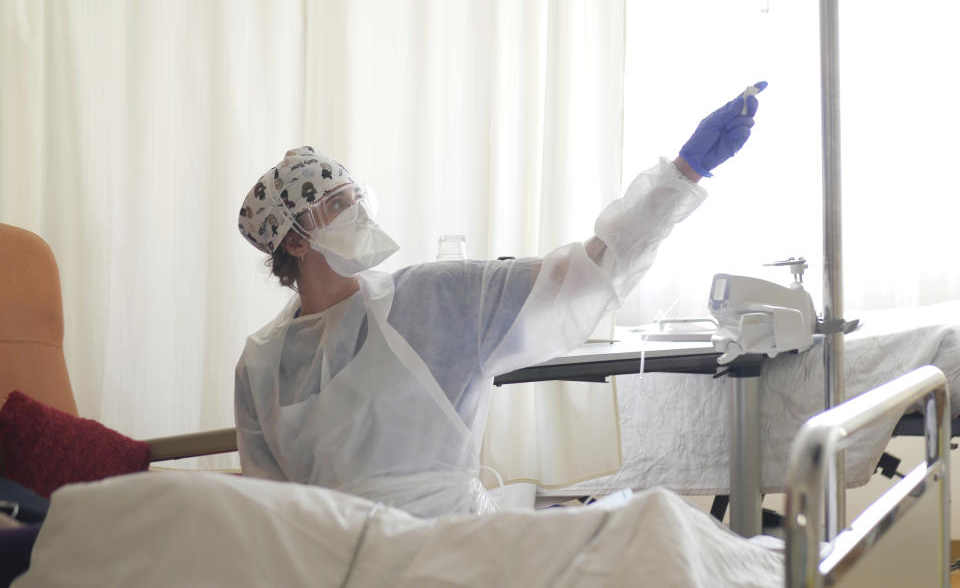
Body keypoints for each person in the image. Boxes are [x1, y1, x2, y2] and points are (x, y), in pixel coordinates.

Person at [234, 83, 766, 518]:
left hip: (455, 551)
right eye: (338, 205)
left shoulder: (431, 298)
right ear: (295, 240)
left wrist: (682, 173)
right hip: (337, 564)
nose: (362, 217)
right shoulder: (260, 363)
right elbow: (271, 511)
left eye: (357, 199)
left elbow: (587, 271)